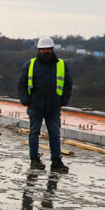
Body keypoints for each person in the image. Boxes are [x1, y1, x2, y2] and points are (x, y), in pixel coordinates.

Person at [18, 37, 73, 172]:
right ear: (39, 50)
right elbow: (21, 83)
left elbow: (68, 84)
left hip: (53, 106)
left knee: (54, 133)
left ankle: (56, 160)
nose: (46, 51)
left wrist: (63, 101)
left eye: (48, 49)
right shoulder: (30, 65)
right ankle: (34, 159)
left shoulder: (61, 64)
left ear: (52, 49)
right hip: (35, 105)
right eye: (43, 49)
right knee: (34, 132)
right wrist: (26, 100)